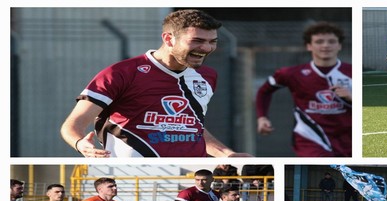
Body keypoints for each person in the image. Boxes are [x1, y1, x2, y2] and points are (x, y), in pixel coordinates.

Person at [60, 10, 250, 158]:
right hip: (134, 176)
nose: (207, 48)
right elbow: (72, 125)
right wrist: (80, 144)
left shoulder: (207, 76)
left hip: (192, 175)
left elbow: (192, 126)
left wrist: (227, 154)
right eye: (197, 41)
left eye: (212, 42)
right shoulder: (120, 73)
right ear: (168, 39)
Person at [256, 21, 351, 157]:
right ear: (309, 46)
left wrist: (353, 97)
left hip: (348, 139)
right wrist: (262, 117)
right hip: (310, 139)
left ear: (339, 45)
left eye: (331, 41)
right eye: (319, 41)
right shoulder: (291, 73)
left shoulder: (353, 72)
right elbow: (264, 91)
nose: (325, 45)